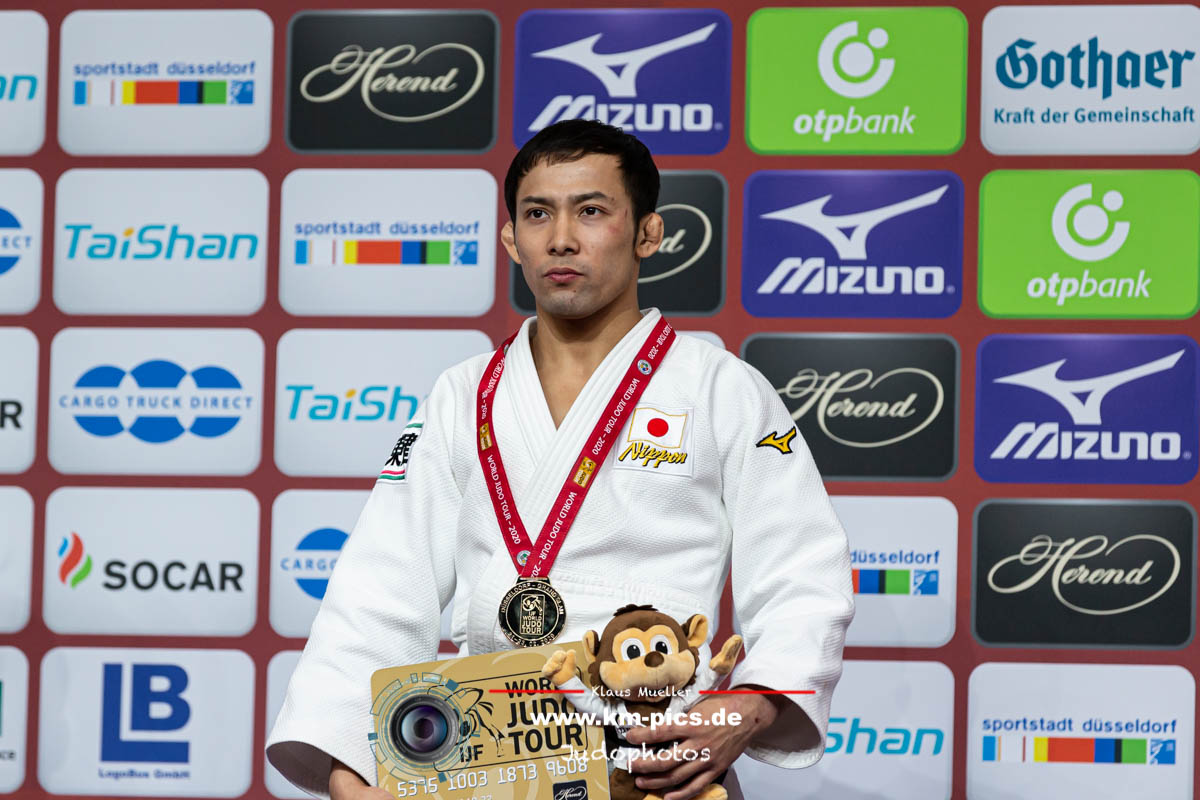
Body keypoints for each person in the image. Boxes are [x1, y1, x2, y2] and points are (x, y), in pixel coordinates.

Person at [266, 119, 854, 800]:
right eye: (538, 213)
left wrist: (749, 707)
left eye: (593, 211)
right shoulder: (462, 394)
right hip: (481, 764)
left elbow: (802, 571)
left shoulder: (720, 388)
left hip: (654, 760)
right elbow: (378, 590)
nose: (562, 238)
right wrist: (349, 762)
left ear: (648, 235)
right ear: (512, 238)